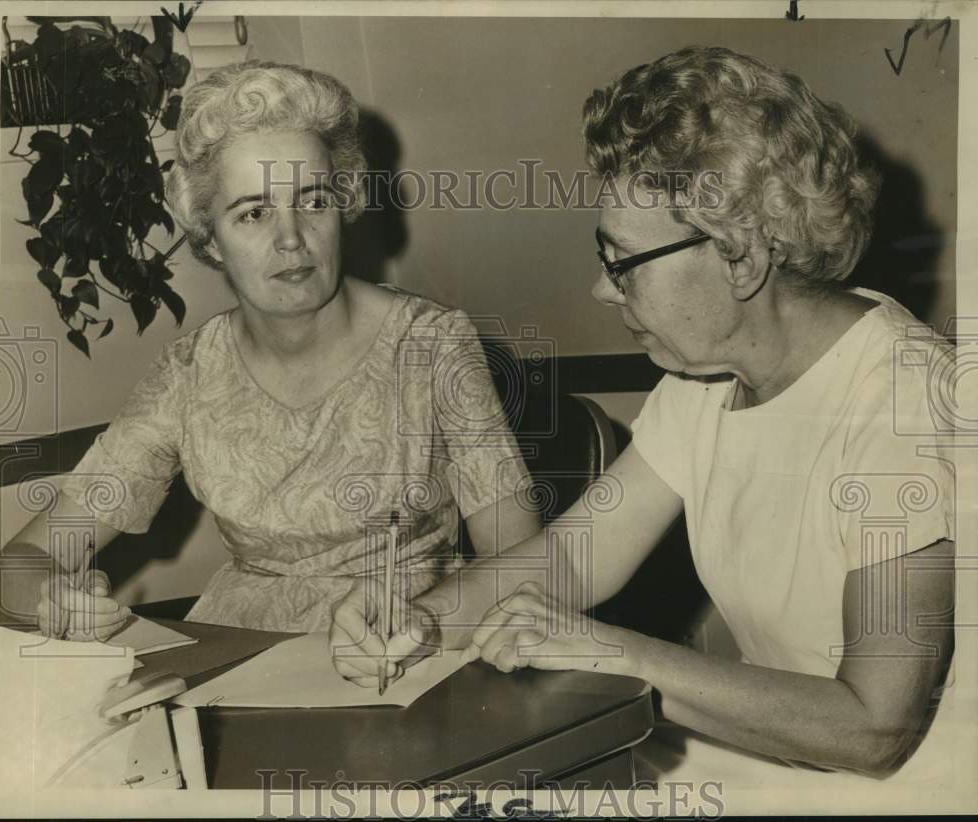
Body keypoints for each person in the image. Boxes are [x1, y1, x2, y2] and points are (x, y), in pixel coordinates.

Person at [330, 46, 957, 784]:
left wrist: (612, 651)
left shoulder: (906, 399)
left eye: (623, 262)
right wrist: (421, 618)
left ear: (742, 258)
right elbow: (571, 558)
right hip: (781, 765)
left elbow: (875, 729)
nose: (602, 289)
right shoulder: (708, 377)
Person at [0, 61, 540, 638]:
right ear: (209, 238)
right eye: (253, 213)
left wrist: (424, 624)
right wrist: (53, 598)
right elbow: (23, 560)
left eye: (312, 202)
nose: (291, 239)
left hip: (414, 645)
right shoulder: (187, 373)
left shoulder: (432, 344)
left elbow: (528, 562)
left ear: (345, 203)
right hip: (243, 651)